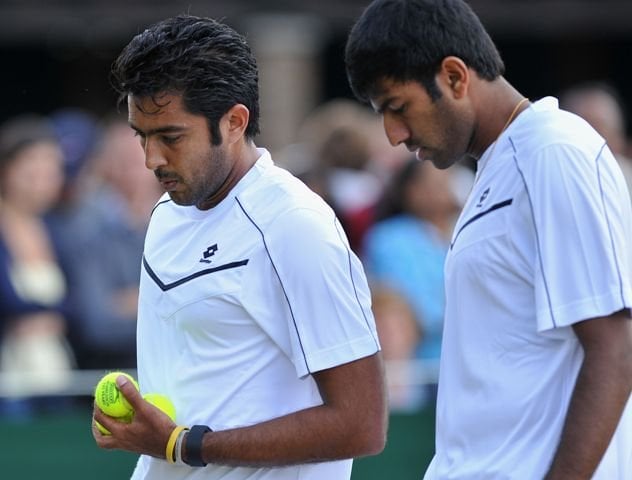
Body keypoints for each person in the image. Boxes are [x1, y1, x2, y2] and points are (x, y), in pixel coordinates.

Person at [345, 1, 632, 479]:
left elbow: (615, 349)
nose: (393, 134)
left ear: (455, 77)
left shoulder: (553, 151)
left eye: (397, 108)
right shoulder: (499, 166)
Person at [93, 14, 387, 480]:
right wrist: (144, 431)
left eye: (170, 137)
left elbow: (360, 425)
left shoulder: (295, 226)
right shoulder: (166, 213)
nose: (151, 159)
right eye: (141, 136)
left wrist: (180, 445)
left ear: (234, 121)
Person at [0, 114, 76, 415]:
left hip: (56, 372)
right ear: (7, 169)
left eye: (51, 170)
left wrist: (50, 316)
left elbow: (78, 300)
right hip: (9, 381)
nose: (42, 180)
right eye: (31, 168)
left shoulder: (57, 228)